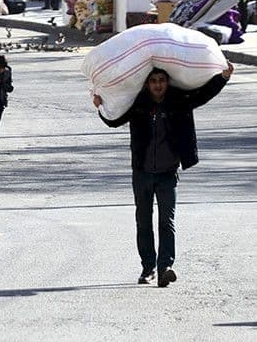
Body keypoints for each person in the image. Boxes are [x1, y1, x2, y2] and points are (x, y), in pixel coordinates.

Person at [93, 63, 233, 287]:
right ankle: (148, 268)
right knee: (144, 221)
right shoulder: (138, 103)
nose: (158, 85)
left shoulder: (179, 101)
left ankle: (165, 267)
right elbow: (115, 119)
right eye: (154, 81)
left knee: (167, 222)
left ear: (167, 83)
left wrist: (223, 78)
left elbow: (203, 94)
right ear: (147, 84)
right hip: (142, 173)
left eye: (162, 81)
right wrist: (101, 107)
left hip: (168, 173)